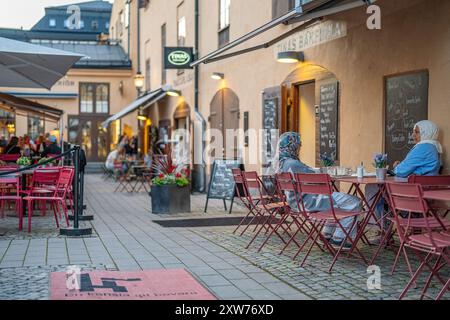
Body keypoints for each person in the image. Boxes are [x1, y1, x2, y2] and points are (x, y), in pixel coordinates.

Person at [278, 132, 362, 249]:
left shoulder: (282, 164)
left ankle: (326, 233)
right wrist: (330, 171)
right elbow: (314, 175)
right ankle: (339, 238)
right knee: (354, 202)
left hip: (297, 202)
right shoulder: (293, 164)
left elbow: (309, 172)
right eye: (298, 145)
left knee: (340, 202)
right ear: (292, 146)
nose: (299, 148)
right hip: (310, 201)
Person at [365, 120, 443, 235]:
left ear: (427, 133)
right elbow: (416, 167)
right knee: (383, 192)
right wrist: (401, 166)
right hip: (425, 192)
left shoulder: (424, 147)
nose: (413, 135)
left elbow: (401, 171)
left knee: (373, 188)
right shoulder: (434, 148)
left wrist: (397, 166)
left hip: (413, 194)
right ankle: (390, 226)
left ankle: (381, 229)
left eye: (417, 132)